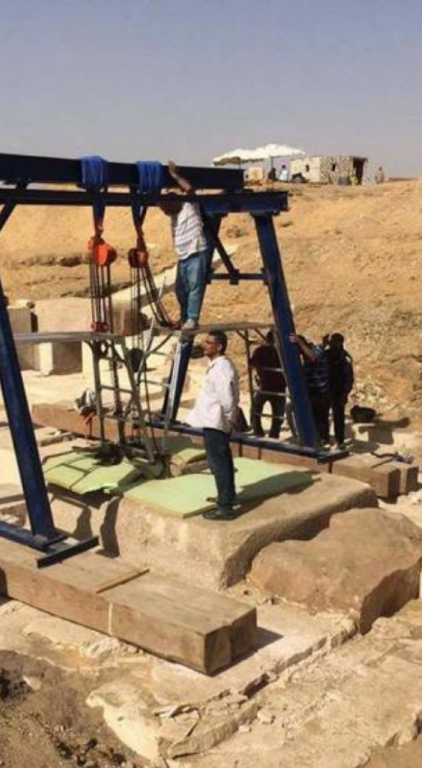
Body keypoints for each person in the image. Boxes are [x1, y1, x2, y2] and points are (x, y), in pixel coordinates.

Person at [186, 331, 239, 521]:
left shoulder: (221, 368)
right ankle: (228, 496)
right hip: (213, 419)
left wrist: (227, 417)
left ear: (219, 347)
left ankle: (224, 507)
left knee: (219, 463)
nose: (204, 345)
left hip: (216, 421)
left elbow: (227, 397)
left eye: (209, 342)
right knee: (222, 460)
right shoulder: (217, 365)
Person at [160, 160, 210, 331]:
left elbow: (189, 189)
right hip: (183, 256)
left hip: (196, 251)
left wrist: (175, 175)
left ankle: (192, 319)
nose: (165, 211)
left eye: (167, 207)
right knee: (180, 290)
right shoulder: (173, 215)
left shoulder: (189, 206)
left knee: (194, 287)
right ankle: (184, 317)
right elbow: (161, 201)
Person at [288, 333, 330, 444]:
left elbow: (313, 357)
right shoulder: (312, 350)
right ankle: (319, 439)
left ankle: (321, 441)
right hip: (311, 391)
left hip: (320, 392)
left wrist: (299, 343)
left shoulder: (314, 351)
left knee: (319, 418)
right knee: (315, 418)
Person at [250, 331, 286, 439]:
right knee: (258, 408)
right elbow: (252, 362)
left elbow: (252, 362)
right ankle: (260, 431)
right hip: (269, 385)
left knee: (276, 414)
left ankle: (265, 432)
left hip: (275, 386)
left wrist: (259, 370)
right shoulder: (263, 350)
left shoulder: (280, 351)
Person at [324, 333, 354, 449]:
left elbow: (349, 377)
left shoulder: (345, 358)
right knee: (324, 417)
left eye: (334, 342)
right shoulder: (326, 355)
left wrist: (345, 392)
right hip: (326, 390)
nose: (332, 344)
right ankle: (325, 438)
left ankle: (339, 441)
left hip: (338, 392)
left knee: (338, 417)